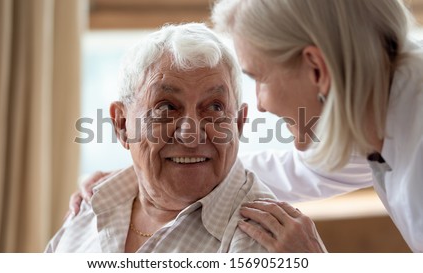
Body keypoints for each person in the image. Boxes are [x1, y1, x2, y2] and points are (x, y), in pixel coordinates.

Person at [72, 0, 423, 252]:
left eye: (260, 78)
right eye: (167, 108)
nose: (261, 104)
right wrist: (146, 169)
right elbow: (296, 171)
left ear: (316, 70)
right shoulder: (380, 120)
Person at [45, 23, 327, 253]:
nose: (191, 134)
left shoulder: (261, 242)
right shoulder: (90, 207)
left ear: (239, 124)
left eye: (215, 107)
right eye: (166, 107)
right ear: (121, 125)